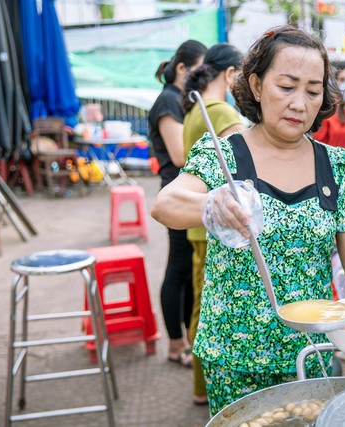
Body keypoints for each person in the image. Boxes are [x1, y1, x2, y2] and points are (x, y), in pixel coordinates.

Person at [151, 25, 345, 416]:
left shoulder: (337, 166)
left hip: (310, 351)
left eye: (313, 91)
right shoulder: (223, 154)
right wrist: (212, 205)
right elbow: (166, 204)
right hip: (234, 356)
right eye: (287, 86)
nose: (300, 103)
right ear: (257, 86)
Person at [181, 42, 245, 406]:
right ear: (231, 74)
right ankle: (204, 388)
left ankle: (199, 385)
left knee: (199, 302)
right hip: (215, 222)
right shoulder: (220, 111)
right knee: (208, 308)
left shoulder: (195, 110)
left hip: (197, 223)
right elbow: (248, 163)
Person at [148, 39, 207, 368]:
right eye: (199, 70)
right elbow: (179, 154)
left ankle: (183, 339)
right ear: (183, 69)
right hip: (175, 195)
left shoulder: (178, 100)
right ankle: (174, 344)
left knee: (185, 272)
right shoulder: (168, 101)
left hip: (185, 193)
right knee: (177, 270)